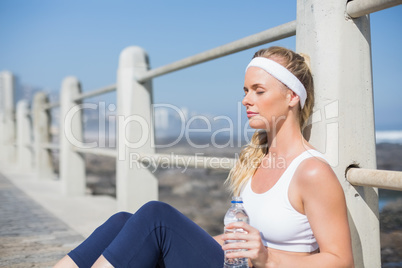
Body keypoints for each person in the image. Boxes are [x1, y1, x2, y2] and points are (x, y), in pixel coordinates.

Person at [54, 46, 354, 268]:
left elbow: (341, 260)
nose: (246, 99)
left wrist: (267, 257)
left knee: (156, 217)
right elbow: (237, 244)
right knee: (124, 222)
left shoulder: (311, 172)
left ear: (292, 97)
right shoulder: (256, 161)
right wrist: (190, 244)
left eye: (258, 91)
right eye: (246, 90)